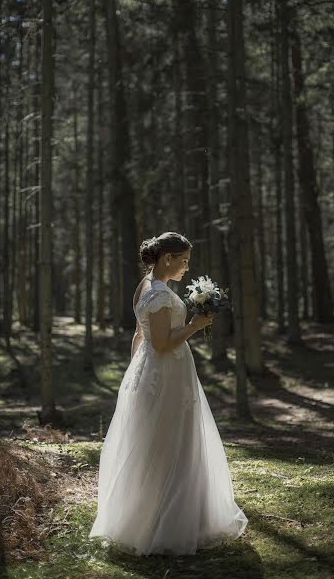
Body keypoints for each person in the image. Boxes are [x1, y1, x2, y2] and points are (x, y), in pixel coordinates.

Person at [89, 231, 248, 555]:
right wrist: (195, 325)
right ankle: (168, 523)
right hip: (166, 375)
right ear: (168, 259)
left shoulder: (143, 286)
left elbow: (140, 336)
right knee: (171, 441)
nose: (187, 268)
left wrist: (136, 373)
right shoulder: (159, 294)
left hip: (150, 371)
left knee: (153, 441)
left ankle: (147, 516)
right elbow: (161, 344)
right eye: (184, 261)